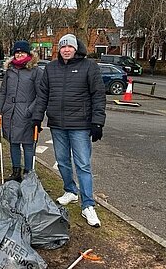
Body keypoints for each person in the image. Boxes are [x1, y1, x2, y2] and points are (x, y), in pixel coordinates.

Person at [32, 33, 106, 227]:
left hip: (80, 125)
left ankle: (88, 204)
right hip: (57, 124)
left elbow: (98, 95)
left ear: (76, 48)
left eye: (70, 47)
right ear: (60, 49)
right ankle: (70, 191)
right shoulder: (51, 68)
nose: (66, 49)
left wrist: (97, 122)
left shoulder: (89, 66)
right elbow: (42, 95)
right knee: (62, 161)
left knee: (83, 164)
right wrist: (37, 117)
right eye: (63, 46)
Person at [0, 40, 43, 182]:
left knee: (28, 144)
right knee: (13, 143)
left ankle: (29, 172)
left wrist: (31, 110)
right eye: (17, 52)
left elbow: (41, 95)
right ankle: (16, 171)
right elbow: (3, 92)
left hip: (27, 113)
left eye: (22, 52)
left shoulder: (35, 71)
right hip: (10, 112)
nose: (19, 54)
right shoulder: (10, 71)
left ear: (28, 53)